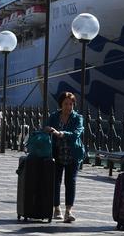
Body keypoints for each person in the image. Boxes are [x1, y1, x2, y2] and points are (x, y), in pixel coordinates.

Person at [44, 92, 85, 223]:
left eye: (71, 104)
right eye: (66, 104)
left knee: (70, 182)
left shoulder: (78, 118)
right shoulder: (54, 116)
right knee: (56, 181)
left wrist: (61, 133)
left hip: (73, 154)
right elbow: (45, 127)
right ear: (61, 104)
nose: (68, 107)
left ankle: (68, 211)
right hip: (57, 153)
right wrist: (48, 129)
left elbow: (76, 133)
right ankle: (56, 208)